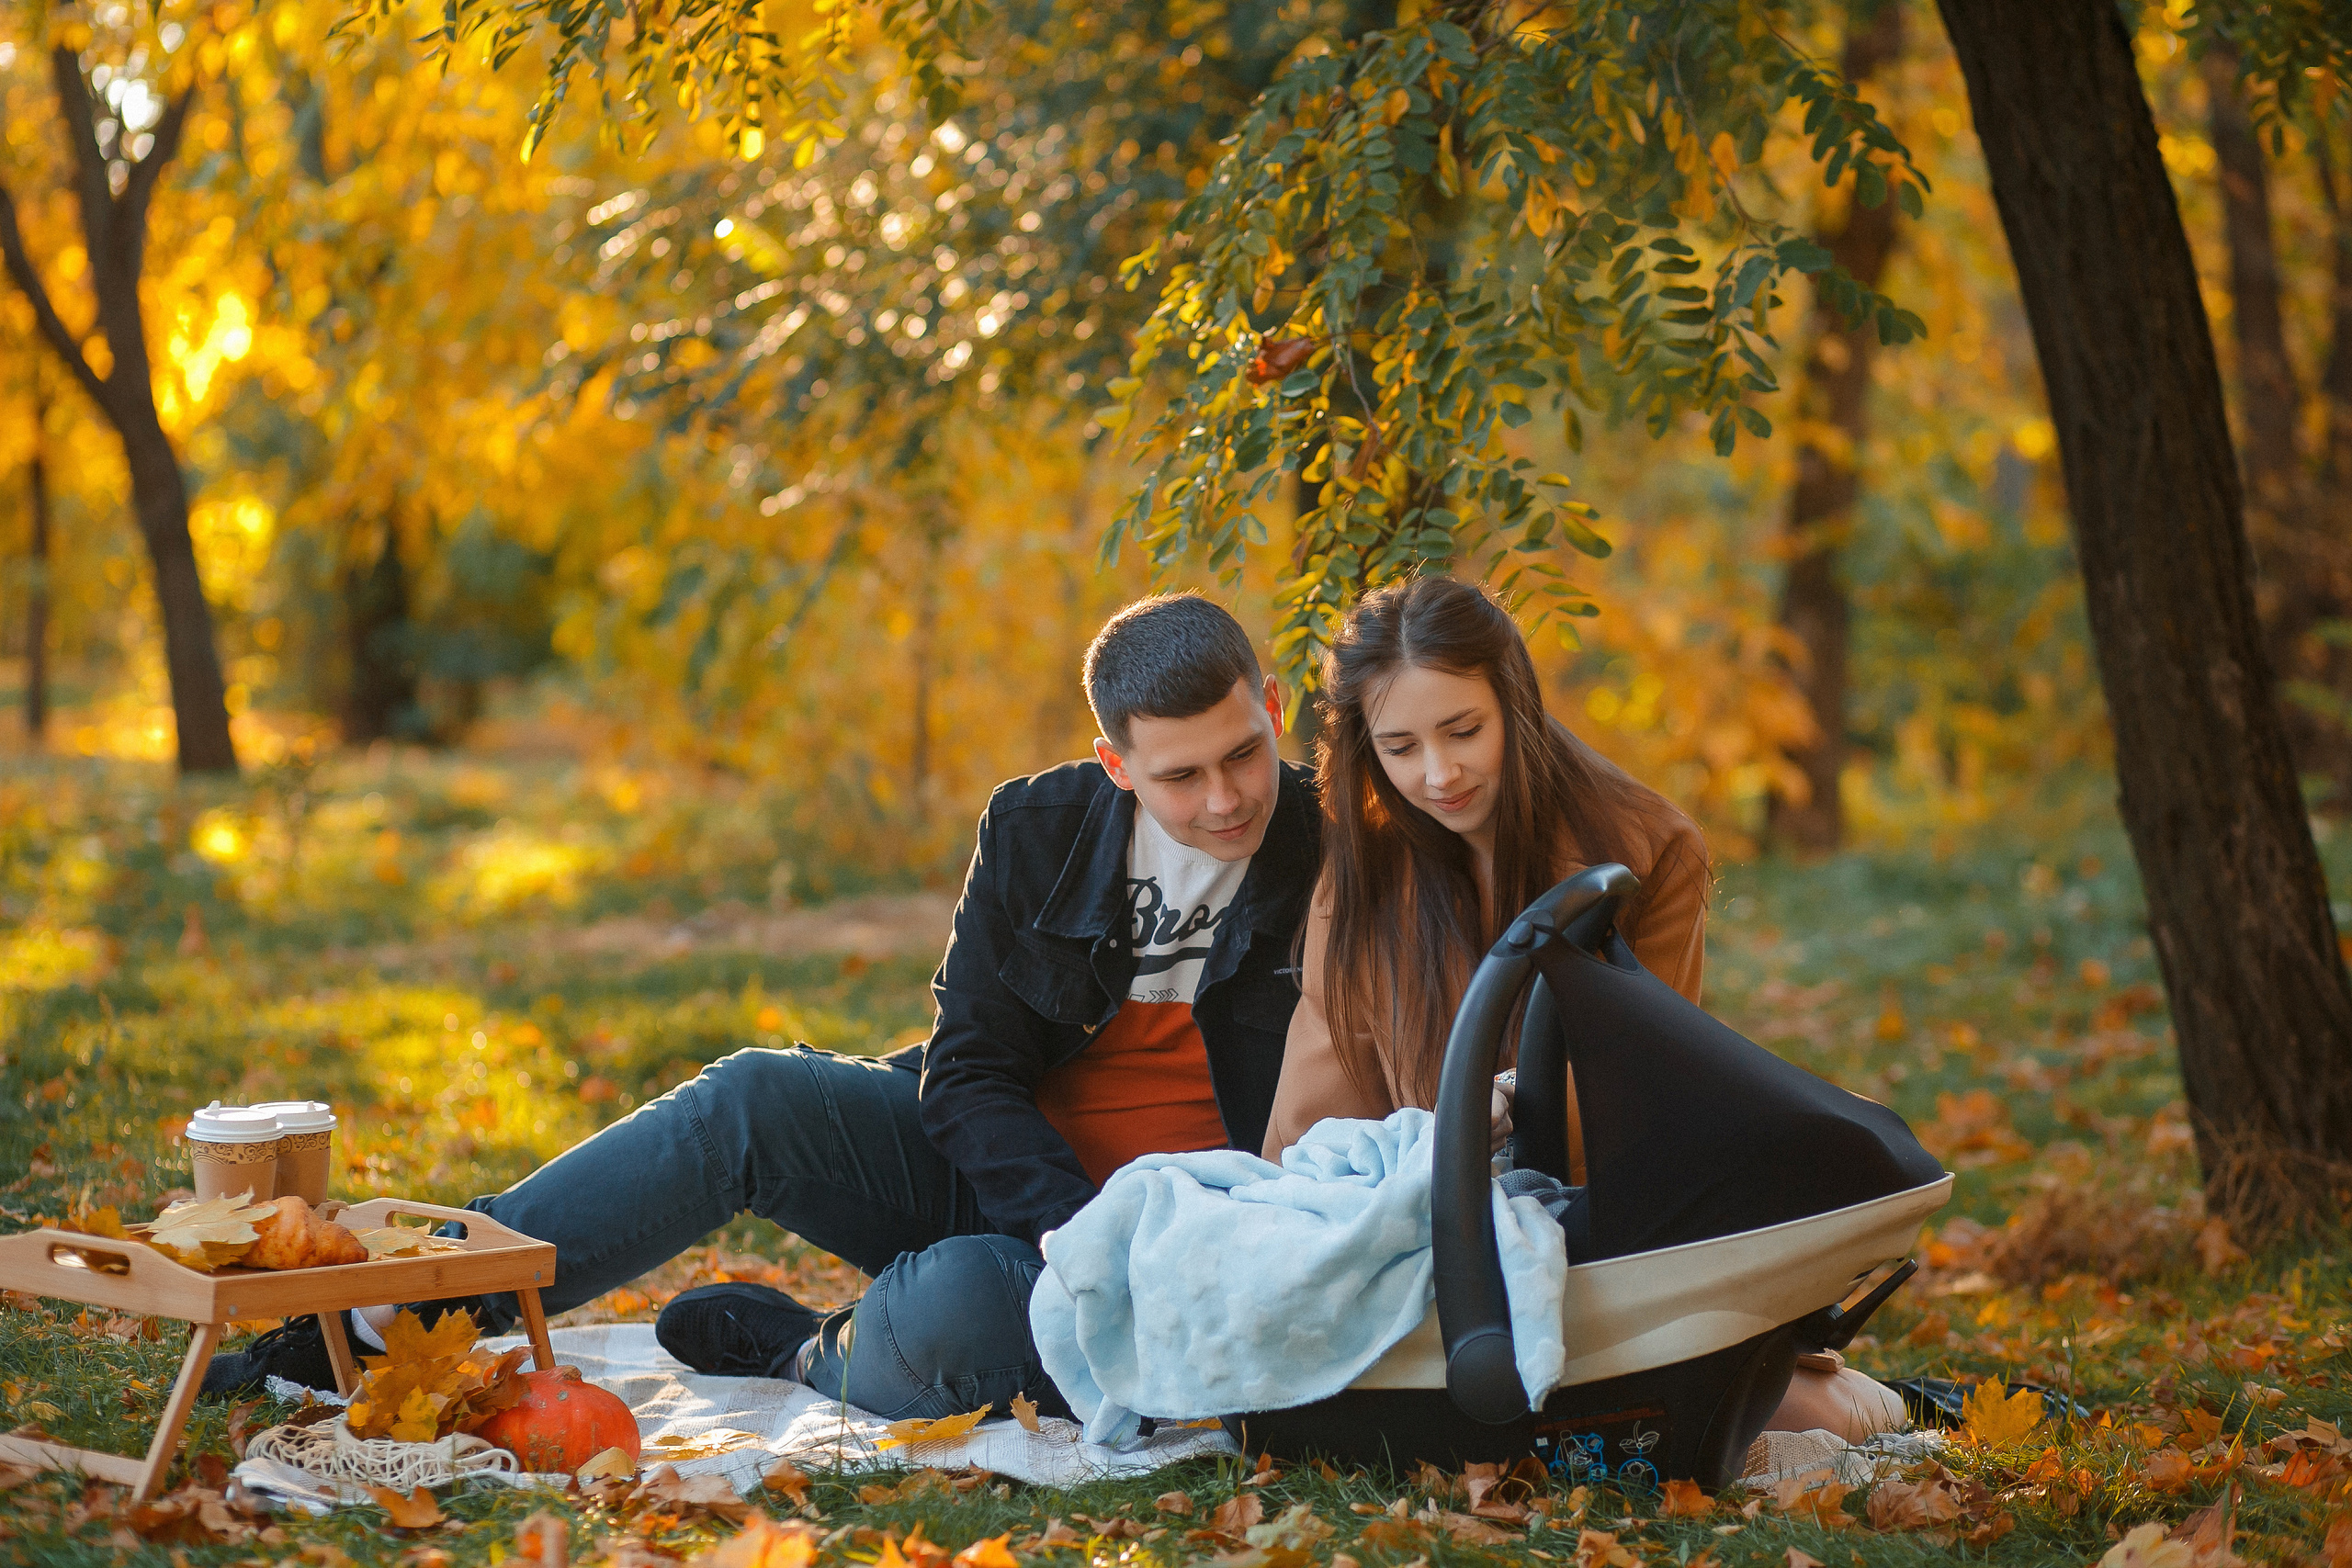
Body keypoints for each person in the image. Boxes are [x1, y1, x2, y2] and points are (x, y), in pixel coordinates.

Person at [201, 592, 1320, 1421]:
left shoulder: (1345, 852)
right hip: (1021, 1191)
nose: (1225, 799)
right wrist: (1069, 1227)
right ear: (1115, 765)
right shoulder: (1038, 827)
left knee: (961, 1305)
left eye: (1243, 755)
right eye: (1180, 777)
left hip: (1161, 1253)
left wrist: (1114, 1256)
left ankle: (806, 1354)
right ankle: (394, 1316)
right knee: (747, 1097)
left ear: (1273, 709)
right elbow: (971, 1070)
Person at [1261, 574, 1906, 1441]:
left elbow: (1634, 1090)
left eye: (1464, 730)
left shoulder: (1647, 848)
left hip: (1599, 1237)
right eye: (1401, 746)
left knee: (1781, 1419)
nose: (1439, 773)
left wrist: (1499, 1109)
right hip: (1415, 1241)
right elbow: (1315, 1113)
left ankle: (1841, 1389)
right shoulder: (1364, 870)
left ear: (1514, 704)